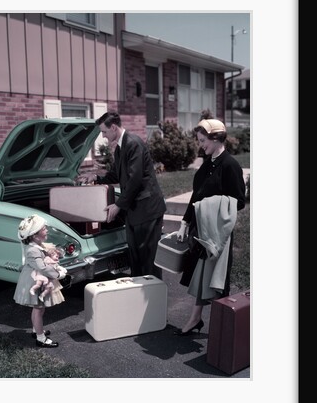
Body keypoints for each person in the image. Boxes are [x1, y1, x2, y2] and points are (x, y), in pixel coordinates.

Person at [174, 117, 246, 336]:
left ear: (216, 139)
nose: (201, 144)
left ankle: (221, 327)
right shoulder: (208, 163)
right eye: (199, 140)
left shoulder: (230, 165)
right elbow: (197, 196)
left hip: (217, 232)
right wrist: (185, 221)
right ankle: (196, 319)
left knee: (217, 279)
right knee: (201, 273)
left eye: (203, 140)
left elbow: (239, 201)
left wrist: (209, 206)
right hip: (201, 229)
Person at [76, 111, 166, 278]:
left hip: (147, 209)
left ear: (114, 127)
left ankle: (153, 297)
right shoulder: (120, 147)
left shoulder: (133, 143)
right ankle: (139, 292)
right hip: (135, 210)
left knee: (147, 258)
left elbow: (135, 180)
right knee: (135, 256)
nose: (102, 136)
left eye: (104, 131)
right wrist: (96, 176)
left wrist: (118, 205)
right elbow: (118, 175)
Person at [13, 214, 66, 348]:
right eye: (43, 229)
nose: (46, 230)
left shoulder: (37, 246)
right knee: (38, 309)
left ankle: (37, 330)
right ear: (35, 235)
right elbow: (42, 267)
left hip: (38, 278)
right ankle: (40, 338)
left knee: (39, 309)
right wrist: (58, 274)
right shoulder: (33, 250)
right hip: (35, 280)